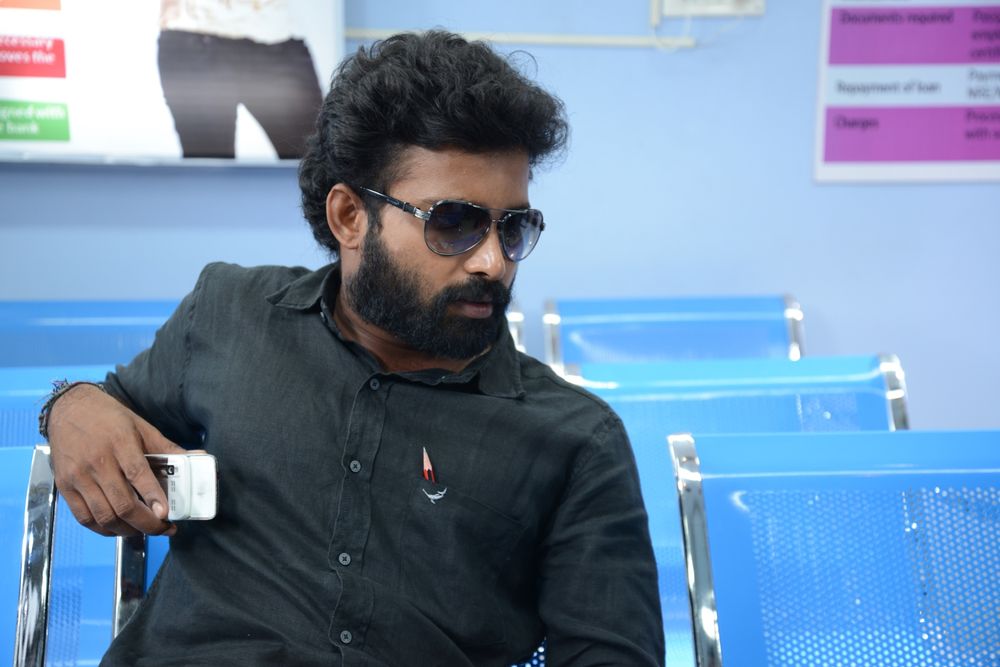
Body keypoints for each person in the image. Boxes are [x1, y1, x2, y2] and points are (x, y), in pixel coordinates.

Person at [42, 30, 665, 666]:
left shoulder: (575, 440)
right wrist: (68, 406)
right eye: (454, 222)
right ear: (349, 217)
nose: (493, 262)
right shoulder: (229, 313)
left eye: (514, 227)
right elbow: (106, 407)